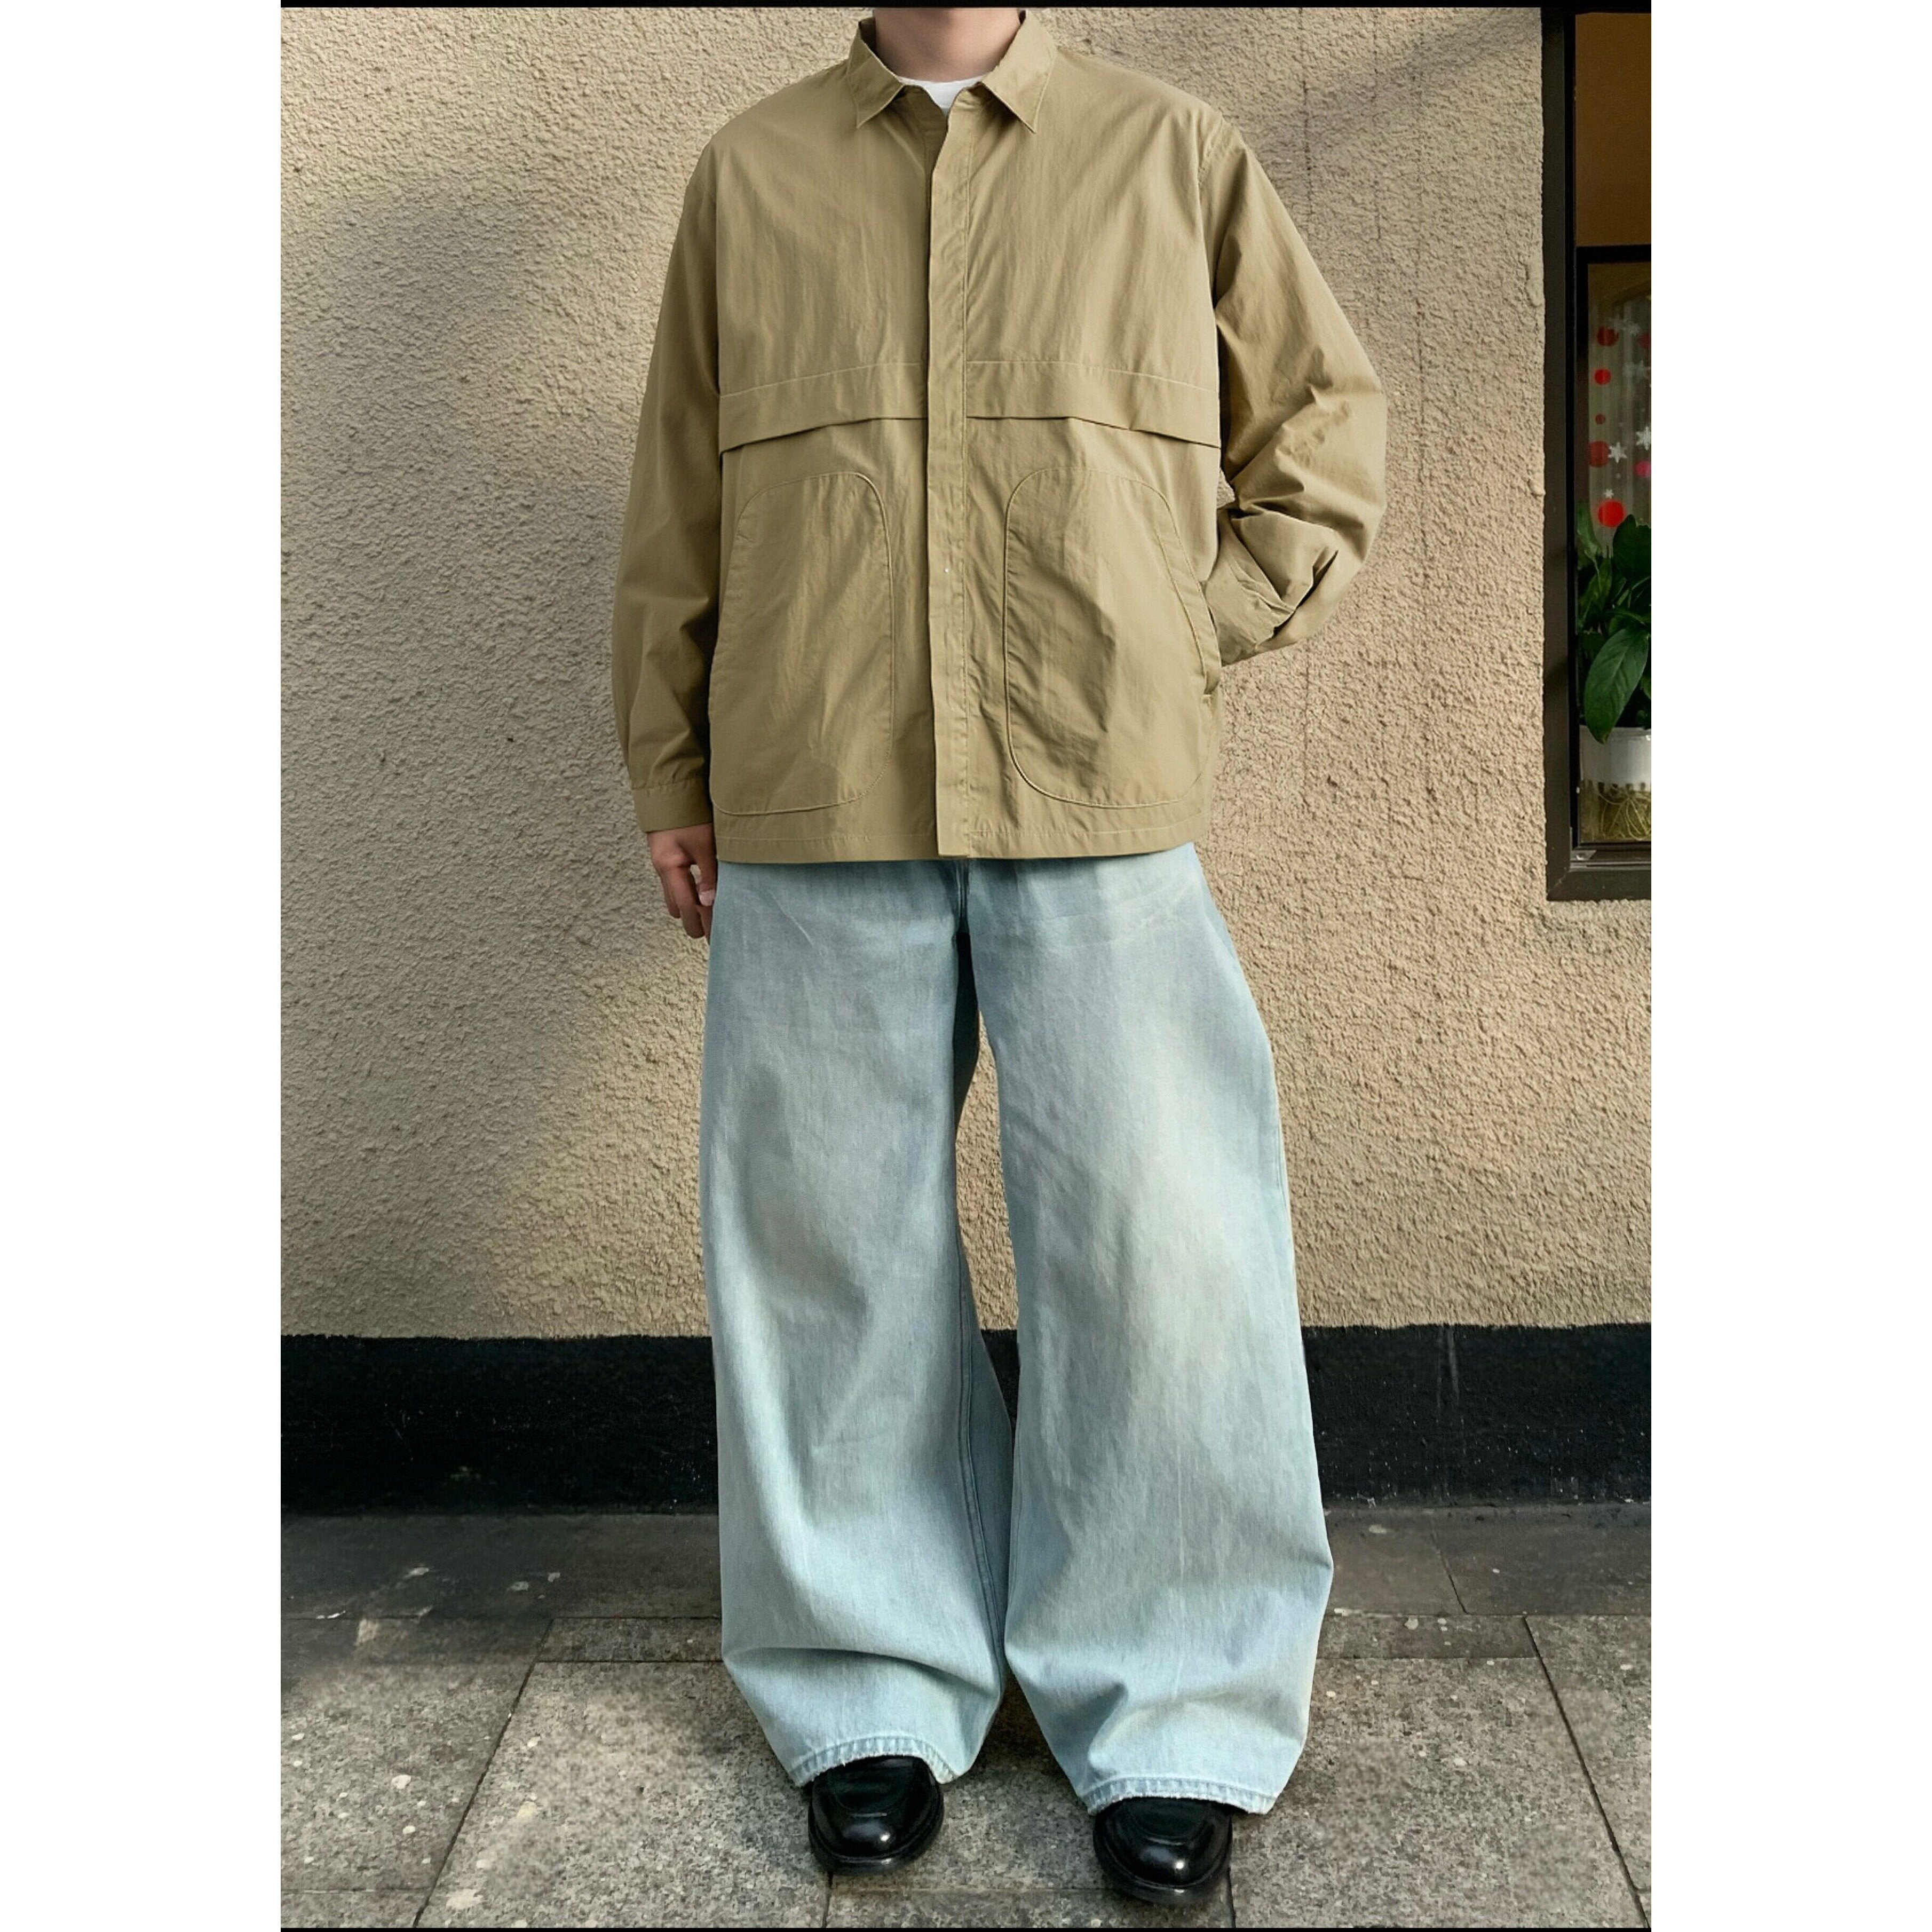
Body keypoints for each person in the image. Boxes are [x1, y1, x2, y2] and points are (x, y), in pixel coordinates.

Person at [611, 6, 1384, 1907]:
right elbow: (682, 497)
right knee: (825, 1249)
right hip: (813, 785)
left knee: (1158, 1245)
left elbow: (1322, 430)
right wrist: (672, 765)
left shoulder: (1171, 155)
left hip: (1096, 786)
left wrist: (1182, 627)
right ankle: (863, 1685)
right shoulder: (751, 174)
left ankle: (1174, 1699)